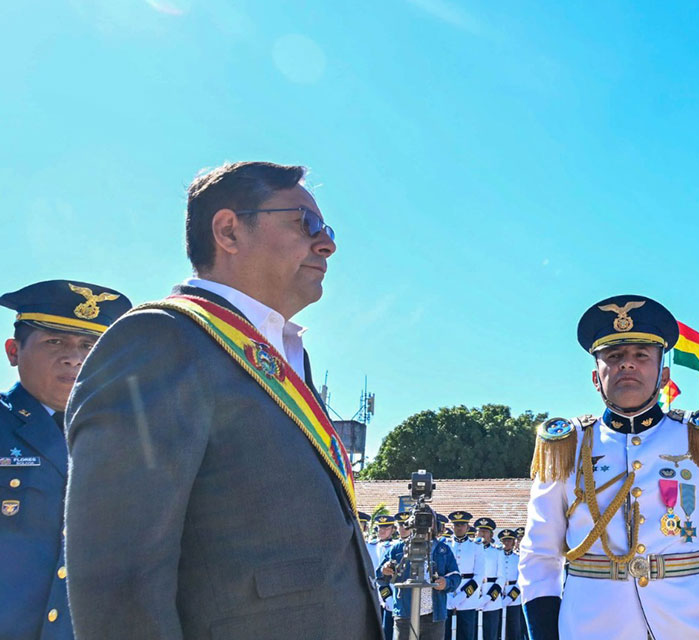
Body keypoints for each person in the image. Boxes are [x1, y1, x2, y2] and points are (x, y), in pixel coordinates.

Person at [63, 161, 381, 639]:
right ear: (229, 231)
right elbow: (118, 581)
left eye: (327, 229)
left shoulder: (283, 355)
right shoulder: (159, 340)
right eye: (306, 223)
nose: (327, 243)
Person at [519, 294, 699, 639]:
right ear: (596, 377)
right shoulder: (565, 445)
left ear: (663, 375)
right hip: (591, 628)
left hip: (688, 626)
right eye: (614, 356)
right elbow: (539, 556)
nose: (627, 364)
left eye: (640, 356)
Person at [1, 280, 131, 639]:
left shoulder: (135, 440)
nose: (73, 357)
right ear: (13, 351)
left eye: (89, 346)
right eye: (54, 341)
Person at [380, 511, 461, 640]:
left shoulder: (443, 549)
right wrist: (385, 571)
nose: (423, 525)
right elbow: (380, 576)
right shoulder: (398, 548)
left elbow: (456, 576)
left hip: (433, 616)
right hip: (405, 614)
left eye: (429, 520)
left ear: (436, 525)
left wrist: (446, 583)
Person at [445, 510, 482, 640]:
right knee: (444, 634)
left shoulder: (476, 546)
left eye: (462, 524)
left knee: (466, 634)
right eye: (456, 525)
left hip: (468, 598)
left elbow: (479, 575)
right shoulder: (445, 545)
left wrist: (463, 595)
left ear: (467, 527)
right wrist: (448, 594)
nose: (459, 527)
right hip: (446, 594)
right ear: (452, 527)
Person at [474, 517, 505, 640]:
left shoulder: (497, 552)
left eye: (485, 532)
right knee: (471, 633)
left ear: (491, 535)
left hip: (492, 600)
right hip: (472, 598)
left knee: (490, 634)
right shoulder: (471, 549)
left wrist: (488, 597)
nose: (482, 534)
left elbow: (501, 578)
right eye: (480, 531)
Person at [374, 513, 401, 639]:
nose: (382, 531)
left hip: (390, 592)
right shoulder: (369, 546)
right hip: (373, 594)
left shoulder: (397, 547)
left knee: (390, 631)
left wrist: (387, 596)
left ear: (393, 530)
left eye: (386, 528)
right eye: (380, 527)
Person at [499, 529, 526, 640]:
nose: (506, 543)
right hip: (497, 597)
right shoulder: (497, 556)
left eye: (509, 540)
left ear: (514, 542)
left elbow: (521, 581)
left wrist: (510, 598)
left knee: (514, 630)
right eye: (504, 540)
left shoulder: (518, 558)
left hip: (514, 598)